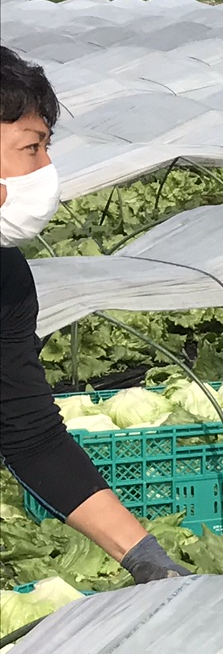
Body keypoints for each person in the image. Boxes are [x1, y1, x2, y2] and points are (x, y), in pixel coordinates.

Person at [0, 47, 188, 584]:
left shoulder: (6, 281)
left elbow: (31, 435)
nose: (46, 171)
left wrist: (146, 559)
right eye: (31, 149)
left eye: (46, 149)